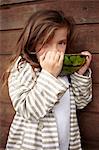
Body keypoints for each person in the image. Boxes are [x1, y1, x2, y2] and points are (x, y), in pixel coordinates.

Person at [5, 9, 92, 150]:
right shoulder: (23, 68)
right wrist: (49, 75)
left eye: (61, 43)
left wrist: (79, 75)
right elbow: (28, 111)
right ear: (32, 42)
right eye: (46, 43)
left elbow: (81, 102)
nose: (55, 51)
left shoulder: (64, 71)